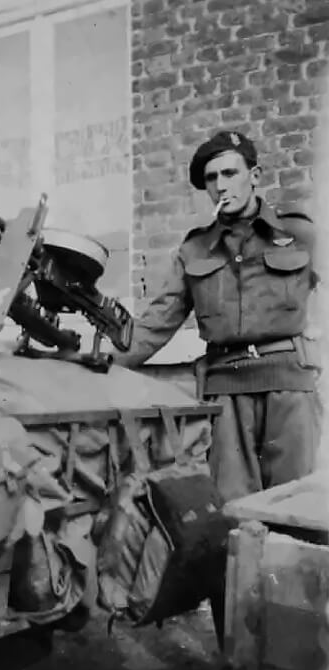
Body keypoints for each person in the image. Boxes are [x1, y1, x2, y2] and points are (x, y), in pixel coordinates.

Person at [116, 130, 321, 502]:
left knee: (297, 507)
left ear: (254, 176)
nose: (220, 185)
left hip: (289, 389)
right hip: (225, 394)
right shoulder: (195, 249)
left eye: (230, 174)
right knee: (234, 509)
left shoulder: (299, 233)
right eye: (211, 179)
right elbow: (157, 323)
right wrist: (105, 360)